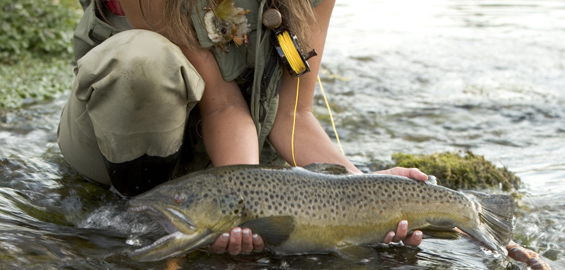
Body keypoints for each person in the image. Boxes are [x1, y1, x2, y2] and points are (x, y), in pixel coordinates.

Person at [57, 0, 426, 255]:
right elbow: (220, 103)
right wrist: (243, 201)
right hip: (115, 145)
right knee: (141, 61)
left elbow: (292, 117)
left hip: (226, 158)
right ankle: (137, 218)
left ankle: (190, 222)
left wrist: (367, 189)